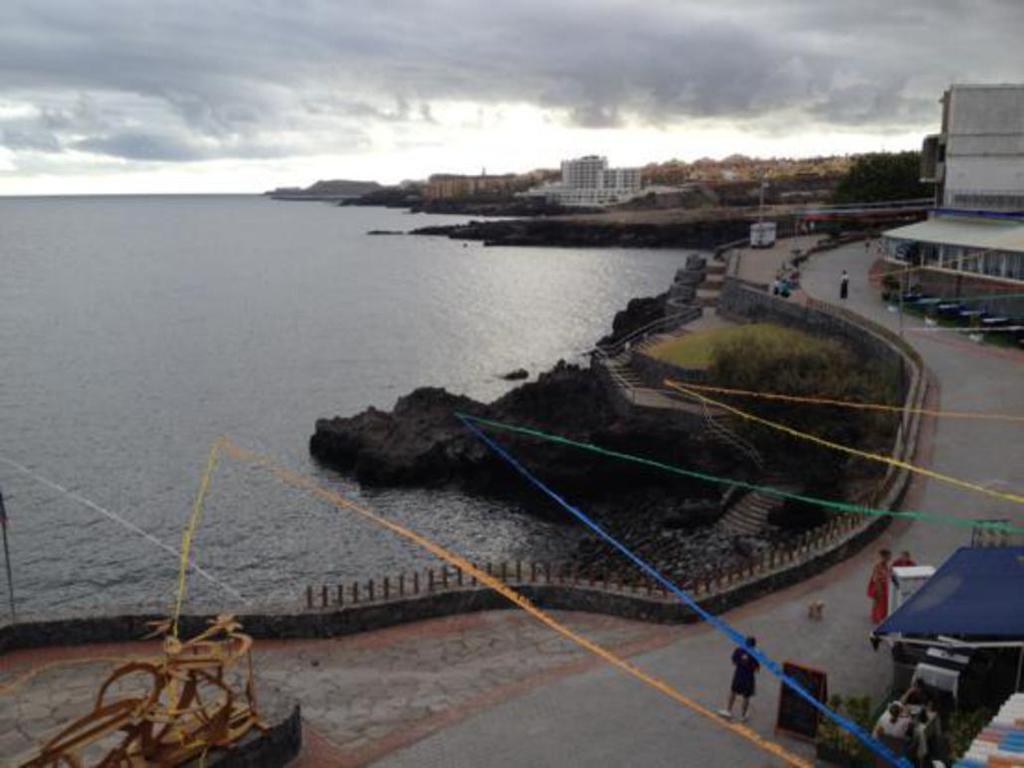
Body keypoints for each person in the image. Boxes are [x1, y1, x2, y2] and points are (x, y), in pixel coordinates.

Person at [721, 636, 760, 721]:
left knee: (733, 692)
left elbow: (733, 662)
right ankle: (743, 715)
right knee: (746, 696)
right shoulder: (756, 654)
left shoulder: (739, 650)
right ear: (754, 645)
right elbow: (757, 669)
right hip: (749, 677)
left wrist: (741, 663)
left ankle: (728, 710)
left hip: (739, 674)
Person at [868, 549, 891, 623]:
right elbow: (876, 577)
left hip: (883, 585)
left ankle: (877, 616)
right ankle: (876, 617)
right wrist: (878, 588)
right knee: (878, 600)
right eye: (888, 556)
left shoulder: (885, 565)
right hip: (879, 585)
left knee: (881, 601)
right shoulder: (878, 565)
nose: (889, 558)